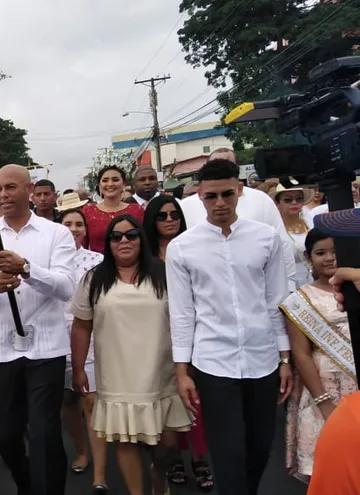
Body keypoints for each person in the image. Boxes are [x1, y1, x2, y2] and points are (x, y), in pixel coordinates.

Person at [167, 159, 292, 495]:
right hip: (213, 360)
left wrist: (284, 359)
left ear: (239, 190)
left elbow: (276, 299)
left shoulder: (265, 238)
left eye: (226, 194)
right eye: (211, 196)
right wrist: (182, 371)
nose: (219, 203)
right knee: (227, 450)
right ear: (199, 196)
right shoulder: (182, 247)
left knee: (260, 445)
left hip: (263, 357)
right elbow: (182, 313)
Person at [0, 164, 76, 495]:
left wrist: (26, 269)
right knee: (5, 433)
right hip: (0, 351)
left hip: (46, 349)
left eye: (10, 187)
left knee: (44, 432)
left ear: (29, 190)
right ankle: (28, 482)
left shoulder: (56, 234)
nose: (3, 195)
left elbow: (67, 287)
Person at [71, 215, 190, 495]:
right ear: (108, 243)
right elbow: (81, 325)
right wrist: (79, 369)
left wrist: (186, 367)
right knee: (124, 441)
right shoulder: (94, 279)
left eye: (131, 235)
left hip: (161, 374)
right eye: (116, 236)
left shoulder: (164, 273)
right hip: (116, 375)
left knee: (166, 448)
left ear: (142, 238)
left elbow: (184, 320)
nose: (124, 241)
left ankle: (159, 481)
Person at [143, 197, 214, 490]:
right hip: (155, 336)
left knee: (193, 398)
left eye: (174, 214)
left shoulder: (196, 248)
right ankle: (172, 458)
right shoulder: (144, 256)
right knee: (164, 399)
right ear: (152, 222)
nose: (170, 220)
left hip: (193, 333)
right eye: (162, 216)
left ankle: (199, 458)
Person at [283, 228, 356, 484]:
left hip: (356, 386)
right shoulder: (301, 300)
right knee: (327, 468)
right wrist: (323, 401)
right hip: (323, 387)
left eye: (335, 252)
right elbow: (301, 355)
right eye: (321, 253)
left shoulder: (356, 288)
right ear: (308, 257)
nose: (329, 258)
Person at [179, 148, 298, 288]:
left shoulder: (261, 200)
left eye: (227, 163)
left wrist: (289, 286)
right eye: (217, 163)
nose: (220, 202)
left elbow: (282, 245)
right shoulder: (185, 206)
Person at [59, 205, 109, 492]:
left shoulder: (97, 260)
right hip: (57, 340)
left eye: (79, 224)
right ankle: (81, 450)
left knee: (91, 403)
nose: (74, 229)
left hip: (89, 339)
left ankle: (100, 475)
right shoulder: (48, 260)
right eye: (67, 223)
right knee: (67, 403)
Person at [82, 166, 145, 253]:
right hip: (98, 264)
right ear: (99, 186)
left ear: (123, 184)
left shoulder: (137, 210)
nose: (110, 184)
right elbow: (82, 247)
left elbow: (144, 243)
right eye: (105, 180)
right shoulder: (88, 212)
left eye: (115, 180)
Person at [270, 184, 315, 289]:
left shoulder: (310, 223)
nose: (294, 202)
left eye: (299, 199)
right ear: (277, 204)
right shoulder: (274, 229)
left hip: (314, 282)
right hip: (287, 286)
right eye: (288, 200)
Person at [143, 195, 187, 261]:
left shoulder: (192, 249)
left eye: (174, 214)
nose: (169, 219)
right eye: (162, 216)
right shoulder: (142, 253)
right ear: (152, 219)